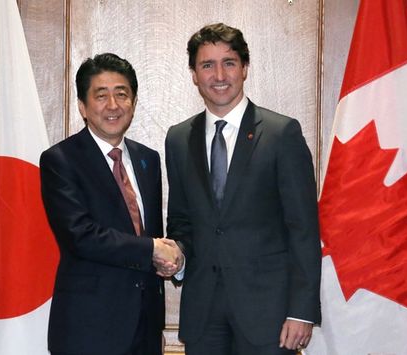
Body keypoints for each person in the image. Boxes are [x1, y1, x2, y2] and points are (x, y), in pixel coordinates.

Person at [165, 23, 322, 355]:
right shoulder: (178, 139)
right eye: (207, 65)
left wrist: (302, 310)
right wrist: (177, 257)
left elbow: (304, 229)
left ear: (245, 68)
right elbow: (181, 221)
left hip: (270, 316)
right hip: (203, 314)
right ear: (194, 74)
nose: (219, 74)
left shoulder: (282, 134)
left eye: (229, 63)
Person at [40, 53, 182, 355]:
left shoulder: (148, 159)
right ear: (83, 106)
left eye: (122, 94)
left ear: (133, 102)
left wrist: (169, 257)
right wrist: (153, 249)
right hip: (89, 329)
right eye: (101, 96)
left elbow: (150, 232)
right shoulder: (60, 160)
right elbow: (81, 235)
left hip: (144, 328)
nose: (113, 105)